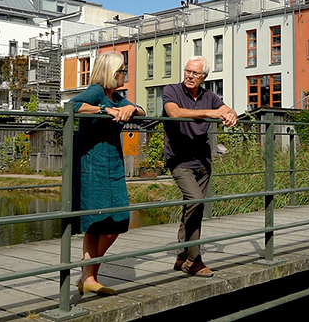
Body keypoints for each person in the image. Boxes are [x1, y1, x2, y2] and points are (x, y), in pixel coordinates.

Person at [70, 52, 145, 295]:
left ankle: (87, 274)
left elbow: (142, 111)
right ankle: (89, 278)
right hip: (92, 163)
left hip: (113, 164)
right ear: (111, 72)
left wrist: (130, 108)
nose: (125, 74)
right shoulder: (97, 91)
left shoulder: (117, 96)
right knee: (96, 222)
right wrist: (106, 110)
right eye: (122, 70)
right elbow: (72, 105)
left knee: (117, 221)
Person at [163, 56, 237, 277]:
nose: (189, 76)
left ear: (204, 76)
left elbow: (227, 109)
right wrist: (209, 113)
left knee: (194, 206)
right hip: (179, 159)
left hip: (203, 160)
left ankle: (181, 256)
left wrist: (230, 115)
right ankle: (194, 260)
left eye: (195, 73)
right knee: (196, 201)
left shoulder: (209, 96)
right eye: (187, 71)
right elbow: (174, 113)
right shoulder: (172, 90)